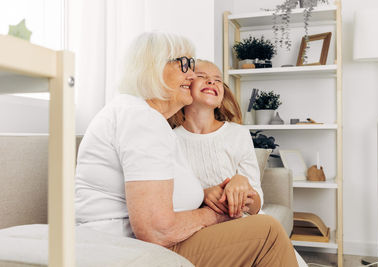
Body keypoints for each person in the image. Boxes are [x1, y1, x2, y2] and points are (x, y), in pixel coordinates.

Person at [75, 31, 298, 266]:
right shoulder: (141, 119)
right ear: (154, 68)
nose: (191, 75)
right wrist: (218, 214)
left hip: (135, 243)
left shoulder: (144, 118)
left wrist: (214, 195)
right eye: (185, 64)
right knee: (267, 232)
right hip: (126, 248)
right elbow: (156, 231)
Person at [169, 59, 262, 218]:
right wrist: (202, 195)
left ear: (220, 100)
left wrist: (242, 184)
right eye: (201, 76)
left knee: (268, 225)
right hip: (197, 223)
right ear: (185, 88)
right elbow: (167, 197)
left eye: (218, 79)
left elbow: (256, 207)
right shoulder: (170, 139)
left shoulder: (238, 134)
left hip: (239, 222)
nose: (211, 81)